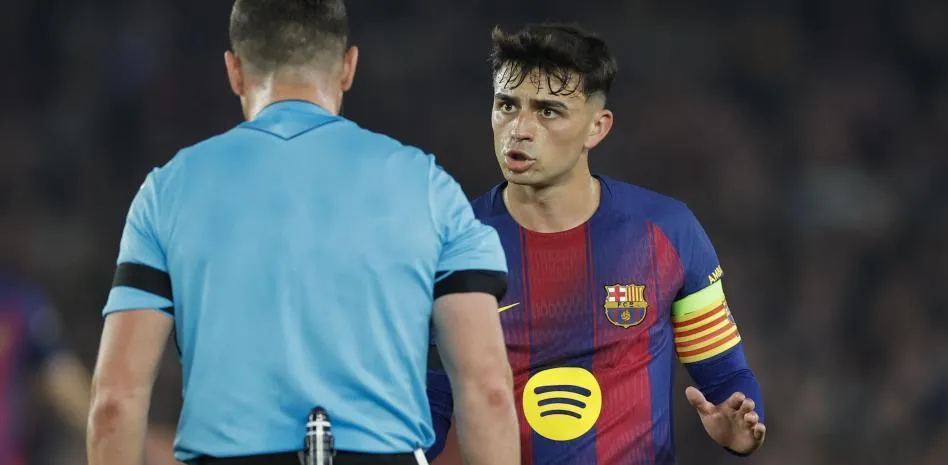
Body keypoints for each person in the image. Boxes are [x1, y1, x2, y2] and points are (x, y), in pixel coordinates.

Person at [86, 1, 519, 465]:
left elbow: (115, 403)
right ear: (348, 67)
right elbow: (488, 392)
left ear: (234, 70)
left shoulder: (167, 191)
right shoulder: (430, 189)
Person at [426, 23, 766, 465]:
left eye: (548, 111)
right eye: (507, 105)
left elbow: (725, 376)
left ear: (596, 128)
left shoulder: (667, 233)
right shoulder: (449, 247)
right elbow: (431, 400)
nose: (519, 129)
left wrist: (739, 430)